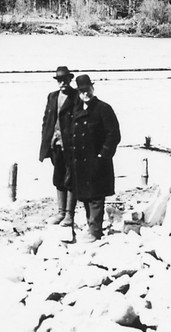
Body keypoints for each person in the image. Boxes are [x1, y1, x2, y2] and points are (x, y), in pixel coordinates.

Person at [62, 74, 121, 242]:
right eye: (81, 91)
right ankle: (91, 227)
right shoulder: (78, 110)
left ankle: (95, 232)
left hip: (97, 161)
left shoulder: (103, 109)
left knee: (96, 197)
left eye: (87, 90)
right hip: (80, 163)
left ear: (92, 88)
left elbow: (113, 135)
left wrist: (103, 155)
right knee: (86, 196)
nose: (85, 94)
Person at [39, 65, 79, 227]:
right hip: (55, 144)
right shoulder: (52, 97)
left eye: (65, 80)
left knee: (71, 179)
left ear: (70, 80)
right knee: (58, 177)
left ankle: (69, 215)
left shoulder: (76, 96)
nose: (62, 83)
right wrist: (46, 140)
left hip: (70, 145)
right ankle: (61, 212)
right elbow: (46, 120)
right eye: (59, 80)